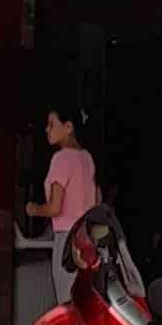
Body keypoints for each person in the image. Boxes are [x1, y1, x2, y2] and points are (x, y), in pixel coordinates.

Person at [33, 103, 100, 262]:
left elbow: (55, 208)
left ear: (68, 127)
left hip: (66, 238)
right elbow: (97, 199)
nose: (47, 129)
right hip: (88, 237)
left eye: (51, 124)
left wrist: (34, 209)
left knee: (64, 279)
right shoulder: (87, 157)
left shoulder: (61, 158)